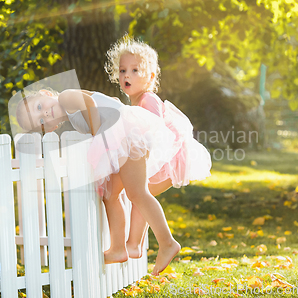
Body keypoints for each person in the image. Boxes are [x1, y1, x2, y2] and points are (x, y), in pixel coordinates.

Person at [16, 87, 181, 275]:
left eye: (39, 106)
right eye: (41, 121)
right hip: (122, 137)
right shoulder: (71, 114)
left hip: (127, 135)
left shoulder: (65, 97)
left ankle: (167, 242)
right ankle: (118, 248)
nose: (44, 114)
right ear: (50, 128)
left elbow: (90, 103)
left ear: (46, 93)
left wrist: (97, 137)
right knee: (110, 195)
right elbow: (106, 99)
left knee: (137, 193)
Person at [105, 36, 212, 260]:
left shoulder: (147, 99)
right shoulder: (134, 102)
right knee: (140, 195)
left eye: (135, 70)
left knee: (139, 194)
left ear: (150, 76)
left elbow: (153, 131)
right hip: (157, 159)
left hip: (166, 160)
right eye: (123, 70)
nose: (127, 75)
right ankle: (133, 245)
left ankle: (164, 243)